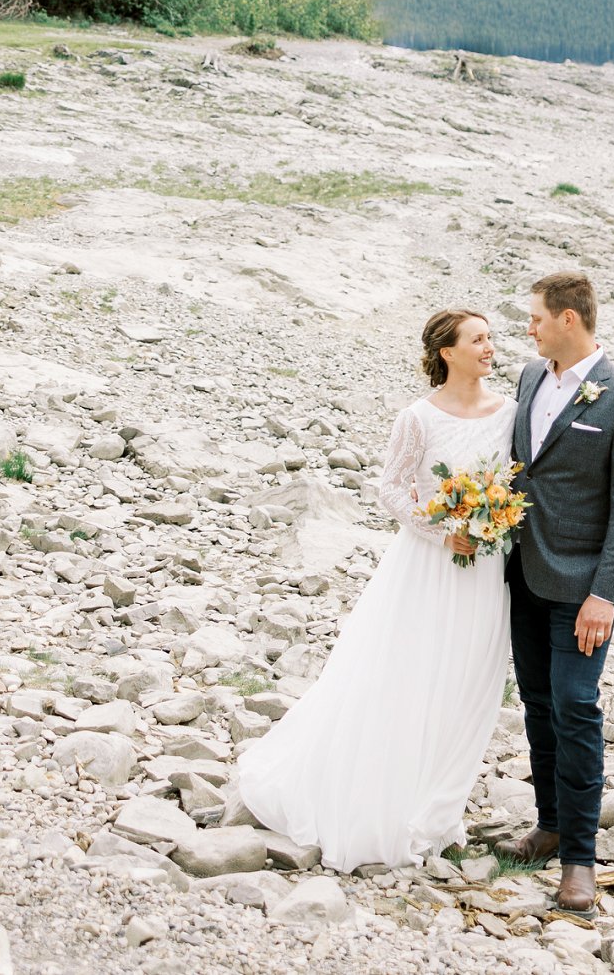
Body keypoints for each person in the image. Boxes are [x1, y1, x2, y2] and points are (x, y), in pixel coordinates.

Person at [236, 309, 515, 872]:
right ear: (448, 353)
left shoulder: (510, 412)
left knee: (468, 681)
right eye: (478, 339)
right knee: (408, 675)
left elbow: (518, 478)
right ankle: (383, 801)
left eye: (490, 338)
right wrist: (443, 531)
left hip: (488, 567)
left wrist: (492, 521)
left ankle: (439, 806)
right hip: (427, 566)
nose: (490, 347)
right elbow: (390, 489)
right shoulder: (417, 418)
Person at [505, 270, 614, 918]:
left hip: (584, 585)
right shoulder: (529, 378)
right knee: (538, 701)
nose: (529, 327)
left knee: (576, 704)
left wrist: (606, 594)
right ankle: (549, 824)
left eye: (536, 316)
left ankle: (580, 860)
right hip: (523, 570)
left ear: (570, 318)